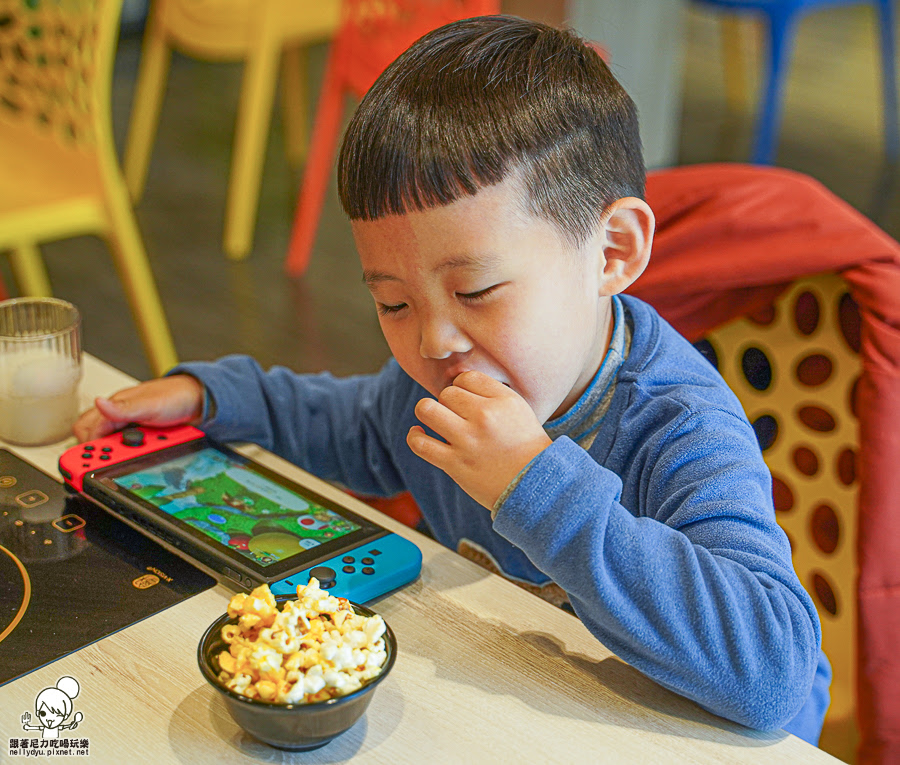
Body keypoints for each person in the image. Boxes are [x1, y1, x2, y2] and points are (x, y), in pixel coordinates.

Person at [74, 15, 830, 743]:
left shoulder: (680, 426)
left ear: (612, 252)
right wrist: (216, 397)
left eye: (475, 293)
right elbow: (354, 428)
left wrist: (534, 484)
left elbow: (778, 677)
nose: (433, 338)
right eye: (393, 302)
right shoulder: (438, 386)